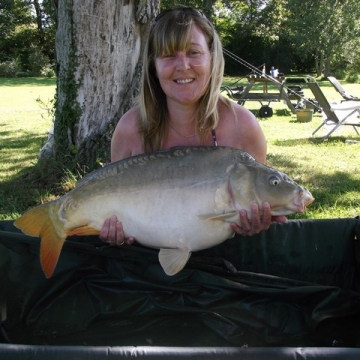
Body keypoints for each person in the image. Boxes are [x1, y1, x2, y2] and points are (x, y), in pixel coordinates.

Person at [99, 7, 286, 246]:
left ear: (211, 58)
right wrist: (116, 233)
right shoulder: (129, 129)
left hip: (226, 268)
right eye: (168, 55)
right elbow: (116, 206)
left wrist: (256, 225)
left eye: (194, 52)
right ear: (153, 66)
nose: (183, 66)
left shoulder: (244, 127)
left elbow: (255, 205)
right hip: (146, 268)